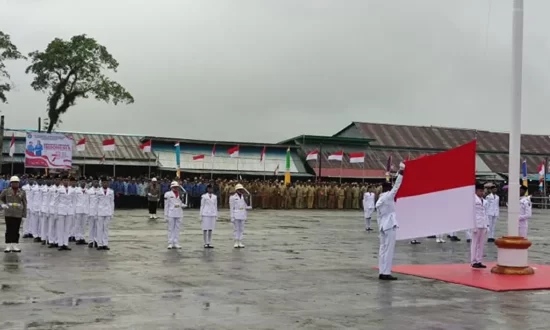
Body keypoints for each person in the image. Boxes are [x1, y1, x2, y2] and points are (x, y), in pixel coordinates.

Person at [376, 162, 405, 281]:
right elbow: (397, 186)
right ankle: (386, 272)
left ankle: (382, 271)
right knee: (389, 250)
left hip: (382, 226)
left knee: (382, 249)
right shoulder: (388, 197)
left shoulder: (380, 198)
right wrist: (402, 173)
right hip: (389, 225)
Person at [1, 176, 27, 253]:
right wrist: (3, 204)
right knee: (9, 229)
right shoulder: (6, 191)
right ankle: (8, 245)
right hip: (9, 212)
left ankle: (15, 244)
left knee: (16, 229)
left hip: (18, 212)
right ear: (11, 183)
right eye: (14, 182)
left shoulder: (22, 192)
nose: (16, 184)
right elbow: (0, 199)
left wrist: (24, 214)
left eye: (17, 182)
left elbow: (25, 203)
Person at [471, 183, 489, 268]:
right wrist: (473, 225)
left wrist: (487, 225)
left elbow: (486, 214)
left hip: (483, 224)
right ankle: (473, 261)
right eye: (480, 191)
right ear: (476, 191)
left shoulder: (484, 201)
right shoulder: (473, 199)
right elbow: (471, 213)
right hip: (477, 224)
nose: (482, 193)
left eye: (483, 191)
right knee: (474, 243)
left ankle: (479, 260)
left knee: (481, 244)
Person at [229, 183, 252, 248]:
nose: (241, 190)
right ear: (236, 190)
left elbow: (246, 206)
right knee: (236, 229)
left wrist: (249, 206)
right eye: (239, 189)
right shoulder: (232, 197)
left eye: (241, 189)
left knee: (241, 229)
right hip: (236, 214)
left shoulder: (244, 197)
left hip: (242, 213)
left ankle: (240, 241)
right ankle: (236, 241)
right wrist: (232, 217)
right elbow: (231, 208)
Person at [164, 181, 185, 249]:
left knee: (177, 229)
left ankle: (176, 242)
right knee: (171, 228)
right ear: (171, 187)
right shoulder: (167, 194)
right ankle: (170, 242)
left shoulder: (180, 193)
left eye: (176, 187)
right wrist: (165, 215)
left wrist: (183, 205)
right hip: (171, 213)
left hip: (179, 212)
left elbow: (180, 203)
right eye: (174, 187)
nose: (175, 188)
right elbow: (166, 205)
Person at [55, 176, 74, 251]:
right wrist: (56, 212)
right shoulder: (59, 189)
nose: (66, 181)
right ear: (62, 181)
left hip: (69, 211)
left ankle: (65, 244)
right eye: (65, 180)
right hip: (61, 210)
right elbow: (56, 201)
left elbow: (73, 201)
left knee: (67, 228)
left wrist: (73, 211)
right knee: (60, 228)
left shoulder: (72, 190)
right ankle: (60, 244)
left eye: (67, 180)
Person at [96, 178, 115, 250]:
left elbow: (112, 202)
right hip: (100, 212)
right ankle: (99, 244)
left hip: (107, 212)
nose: (105, 184)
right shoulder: (98, 191)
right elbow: (96, 203)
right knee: (100, 228)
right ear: (101, 183)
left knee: (106, 228)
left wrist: (112, 213)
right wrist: (96, 213)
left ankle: (105, 244)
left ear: (108, 183)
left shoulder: (111, 191)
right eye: (104, 183)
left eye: (106, 183)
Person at [200, 184, 218, 248]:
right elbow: (202, 205)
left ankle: (209, 242)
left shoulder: (215, 197)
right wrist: (201, 214)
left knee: (210, 229)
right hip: (205, 213)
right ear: (207, 189)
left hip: (212, 214)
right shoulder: (204, 196)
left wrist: (216, 214)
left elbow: (215, 206)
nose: (210, 189)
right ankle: (205, 242)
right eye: (209, 188)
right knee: (205, 229)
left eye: (211, 188)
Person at [74, 178, 89, 245]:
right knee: (77, 225)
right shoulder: (76, 190)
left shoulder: (87, 191)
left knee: (83, 225)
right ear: (79, 182)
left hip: (85, 210)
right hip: (78, 209)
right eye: (81, 181)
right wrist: (74, 211)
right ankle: (77, 238)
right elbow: (74, 201)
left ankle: (82, 238)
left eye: (84, 181)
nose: (83, 182)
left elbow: (88, 201)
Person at [88, 178, 100, 248]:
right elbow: (87, 202)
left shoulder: (100, 191)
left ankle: (96, 241)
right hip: (91, 212)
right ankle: (90, 241)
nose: (96, 183)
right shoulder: (89, 191)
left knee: (97, 227)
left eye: (97, 182)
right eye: (94, 181)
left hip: (98, 212)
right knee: (91, 227)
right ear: (92, 182)